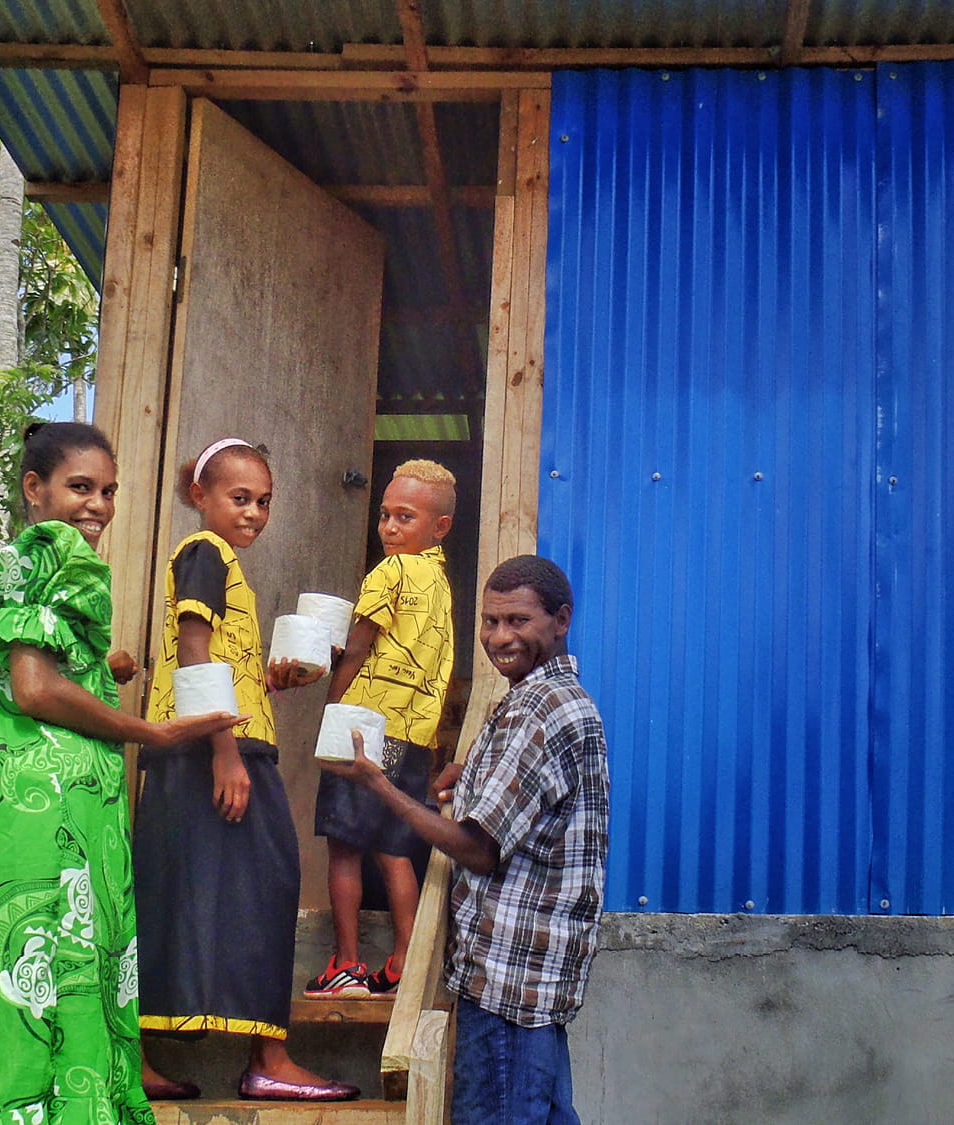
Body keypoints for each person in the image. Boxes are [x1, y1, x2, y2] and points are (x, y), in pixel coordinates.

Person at [0, 422, 246, 1125]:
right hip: (54, 814)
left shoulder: (13, 559)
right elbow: (35, 687)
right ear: (34, 489)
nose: (97, 505)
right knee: (60, 965)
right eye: (80, 487)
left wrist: (104, 671)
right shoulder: (61, 553)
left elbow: (18, 669)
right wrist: (146, 729)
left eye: (108, 490)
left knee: (0, 969)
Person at [318, 554, 610, 1125]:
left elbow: (479, 847)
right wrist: (467, 774)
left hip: (509, 985)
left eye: (519, 621)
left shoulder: (543, 712)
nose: (501, 637)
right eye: (491, 621)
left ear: (561, 620)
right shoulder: (530, 702)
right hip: (523, 985)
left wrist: (379, 784)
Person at [134, 437, 359, 1102]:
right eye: (240, 497)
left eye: (264, 501)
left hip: (209, 744)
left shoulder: (222, 563)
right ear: (200, 497)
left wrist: (270, 680)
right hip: (212, 750)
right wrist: (226, 750)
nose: (255, 511)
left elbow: (218, 658)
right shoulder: (205, 552)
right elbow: (194, 650)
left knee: (184, 891)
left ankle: (156, 1053)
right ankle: (268, 1058)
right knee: (265, 881)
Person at [304, 459, 457, 1000]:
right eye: (385, 515)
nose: (390, 528)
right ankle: (403, 963)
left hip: (363, 726)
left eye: (405, 517)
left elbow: (359, 647)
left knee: (346, 846)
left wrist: (332, 707)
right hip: (412, 737)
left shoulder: (388, 573)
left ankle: (346, 964)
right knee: (395, 848)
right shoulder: (440, 585)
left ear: (439, 527)